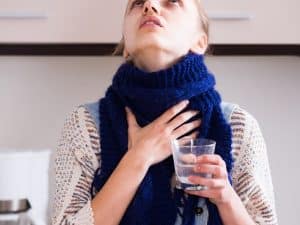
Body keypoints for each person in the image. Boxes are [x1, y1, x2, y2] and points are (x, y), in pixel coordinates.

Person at [51, 0, 278, 225]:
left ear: (200, 42)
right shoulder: (86, 125)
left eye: (172, 1)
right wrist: (138, 158)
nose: (150, 5)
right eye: (138, 3)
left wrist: (226, 198)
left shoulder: (237, 126)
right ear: (126, 47)